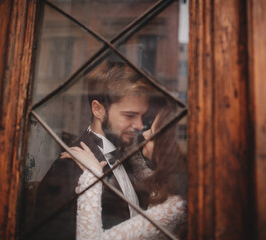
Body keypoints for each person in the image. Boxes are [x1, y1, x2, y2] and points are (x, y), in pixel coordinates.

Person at [33, 61, 153, 239]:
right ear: (98, 109)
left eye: (142, 116)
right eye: (130, 115)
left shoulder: (128, 157)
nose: (140, 125)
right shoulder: (67, 167)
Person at [62, 104, 187, 239]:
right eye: (129, 115)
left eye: (151, 133)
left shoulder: (175, 207)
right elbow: (147, 177)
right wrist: (129, 150)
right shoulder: (172, 184)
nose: (143, 132)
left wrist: (92, 174)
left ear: (166, 149)